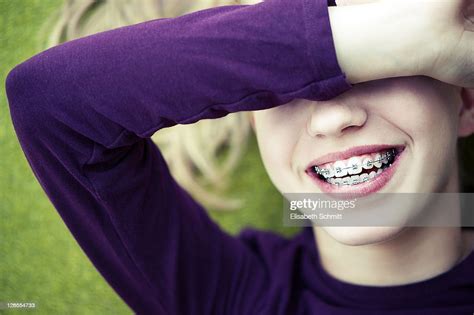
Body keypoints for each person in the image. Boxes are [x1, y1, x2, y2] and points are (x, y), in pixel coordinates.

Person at [5, 0, 474, 314]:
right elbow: (50, 101)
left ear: (466, 101)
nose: (331, 119)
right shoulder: (227, 296)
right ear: (249, 113)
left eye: (382, 68)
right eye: (285, 87)